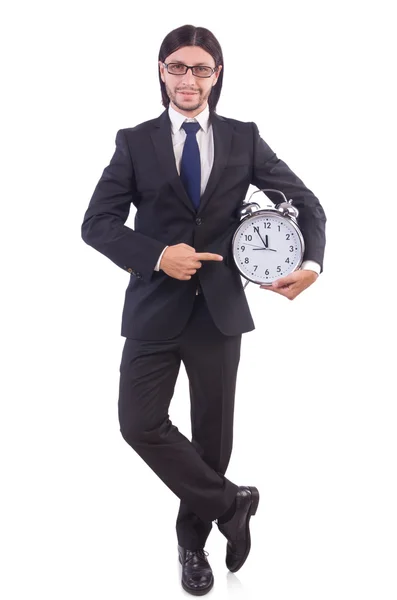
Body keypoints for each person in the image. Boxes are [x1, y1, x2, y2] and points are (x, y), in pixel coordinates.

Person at [81, 23, 326, 596]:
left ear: (218, 75)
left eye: (201, 68)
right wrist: (158, 255)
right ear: (161, 72)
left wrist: (311, 266)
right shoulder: (135, 141)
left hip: (219, 311)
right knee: (139, 423)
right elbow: (97, 224)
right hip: (153, 309)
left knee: (213, 438)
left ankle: (193, 544)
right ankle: (230, 503)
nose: (188, 79)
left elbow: (308, 202)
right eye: (177, 67)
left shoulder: (244, 138)